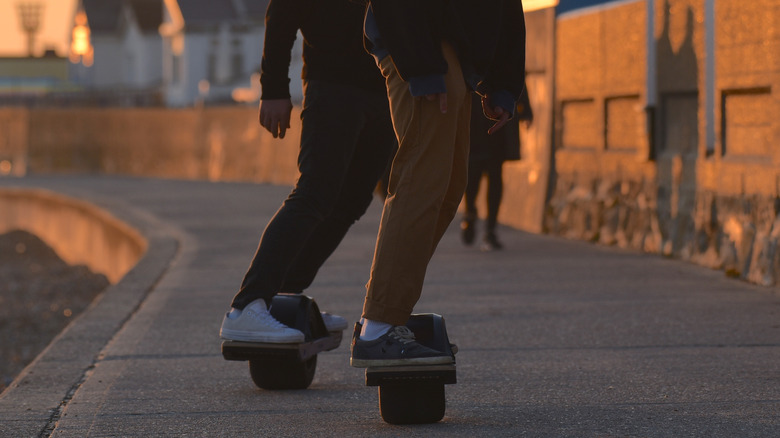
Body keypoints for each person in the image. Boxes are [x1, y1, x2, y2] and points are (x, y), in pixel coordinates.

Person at [350, 0, 527, 367]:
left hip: (455, 55)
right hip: (425, 43)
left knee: (447, 187)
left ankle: (386, 314)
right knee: (422, 181)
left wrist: (503, 83)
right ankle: (379, 325)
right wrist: (421, 64)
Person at [220, 0, 396, 343]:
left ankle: (282, 297)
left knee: (351, 202)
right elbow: (283, 13)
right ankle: (247, 305)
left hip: (387, 87)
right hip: (332, 84)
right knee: (314, 193)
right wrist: (273, 88)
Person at [461, 86, 533, 251]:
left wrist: (526, 111)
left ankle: (491, 229)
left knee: (495, 178)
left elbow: (515, 75)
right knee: (472, 178)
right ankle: (470, 213)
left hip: (499, 126)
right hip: (474, 124)